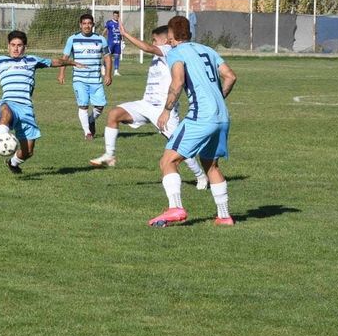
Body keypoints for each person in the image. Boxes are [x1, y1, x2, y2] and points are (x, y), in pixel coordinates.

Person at [89, 24, 208, 191]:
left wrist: (126, 34)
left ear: (165, 40)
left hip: (163, 109)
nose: (152, 43)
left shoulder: (169, 50)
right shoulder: (162, 53)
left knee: (179, 147)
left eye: (154, 40)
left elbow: (147, 48)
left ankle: (200, 175)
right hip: (146, 104)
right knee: (114, 114)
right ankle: (109, 155)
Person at [149, 15, 237, 227]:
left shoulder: (176, 52)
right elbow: (230, 76)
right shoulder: (208, 50)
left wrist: (166, 110)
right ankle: (224, 217)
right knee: (210, 165)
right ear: (189, 33)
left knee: (168, 161)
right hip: (222, 117)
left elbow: (178, 81)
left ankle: (175, 208)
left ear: (171, 34)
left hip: (200, 117)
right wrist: (218, 98)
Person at [0, 30, 83, 174]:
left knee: (28, 151)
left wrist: (72, 62)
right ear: (8, 46)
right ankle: (3, 136)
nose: (15, 48)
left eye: (19, 45)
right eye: (13, 45)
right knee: (5, 111)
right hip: (9, 102)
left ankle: (12, 163)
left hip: (26, 109)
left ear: (25, 47)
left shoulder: (32, 60)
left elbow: (54, 62)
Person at [57, 13, 112, 140]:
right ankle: (87, 132)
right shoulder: (72, 39)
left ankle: (91, 120)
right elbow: (65, 58)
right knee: (83, 105)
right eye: (84, 23)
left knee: (100, 106)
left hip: (96, 80)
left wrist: (108, 74)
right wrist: (61, 73)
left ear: (93, 25)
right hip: (79, 79)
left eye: (89, 23)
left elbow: (107, 58)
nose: (87, 26)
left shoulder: (101, 39)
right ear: (80, 25)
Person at [105, 11, 123, 76]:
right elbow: (105, 30)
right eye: (114, 15)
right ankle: (104, 67)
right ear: (113, 16)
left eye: (117, 16)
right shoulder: (109, 22)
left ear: (118, 16)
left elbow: (122, 32)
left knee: (117, 56)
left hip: (117, 43)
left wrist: (122, 41)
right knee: (108, 56)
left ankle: (116, 71)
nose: (115, 17)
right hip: (110, 43)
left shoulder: (120, 23)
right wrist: (101, 37)